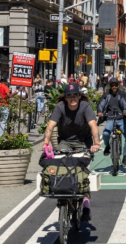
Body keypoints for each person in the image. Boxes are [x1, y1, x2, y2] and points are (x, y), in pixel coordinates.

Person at [43, 83, 101, 222]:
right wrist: (45, 142)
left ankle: (86, 205)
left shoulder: (85, 107)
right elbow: (51, 125)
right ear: (65, 97)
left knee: (83, 174)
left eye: (75, 95)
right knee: (61, 166)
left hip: (83, 142)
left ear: (79, 96)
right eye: (69, 96)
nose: (72, 98)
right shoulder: (60, 107)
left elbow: (93, 125)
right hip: (65, 142)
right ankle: (62, 197)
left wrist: (96, 143)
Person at [97, 78, 126, 167]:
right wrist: (100, 112)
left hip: (121, 118)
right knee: (105, 133)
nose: (114, 87)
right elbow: (101, 103)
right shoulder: (106, 94)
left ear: (118, 85)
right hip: (110, 118)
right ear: (110, 86)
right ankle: (108, 146)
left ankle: (125, 157)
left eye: (116, 85)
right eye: (112, 85)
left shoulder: (122, 94)